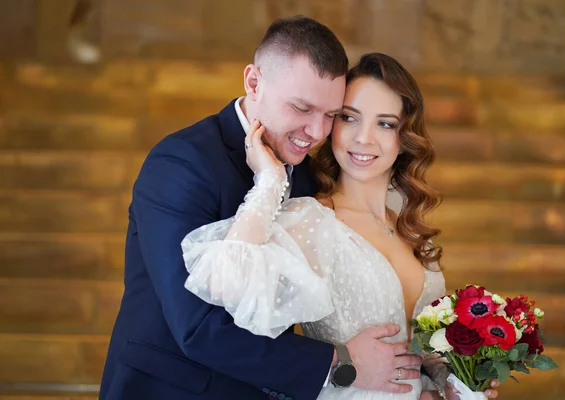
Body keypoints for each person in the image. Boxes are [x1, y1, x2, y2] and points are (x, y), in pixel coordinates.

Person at [99, 16, 423, 400]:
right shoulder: (182, 162)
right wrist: (340, 363)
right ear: (253, 83)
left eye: (331, 115)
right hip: (170, 389)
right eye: (301, 108)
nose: (318, 132)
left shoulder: (304, 172)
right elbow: (198, 327)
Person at [181, 53, 500, 399]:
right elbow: (224, 280)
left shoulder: (410, 229)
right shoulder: (313, 219)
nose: (363, 138)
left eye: (385, 123)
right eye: (349, 118)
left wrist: (454, 383)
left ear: (404, 136)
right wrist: (269, 183)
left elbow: (421, 350)